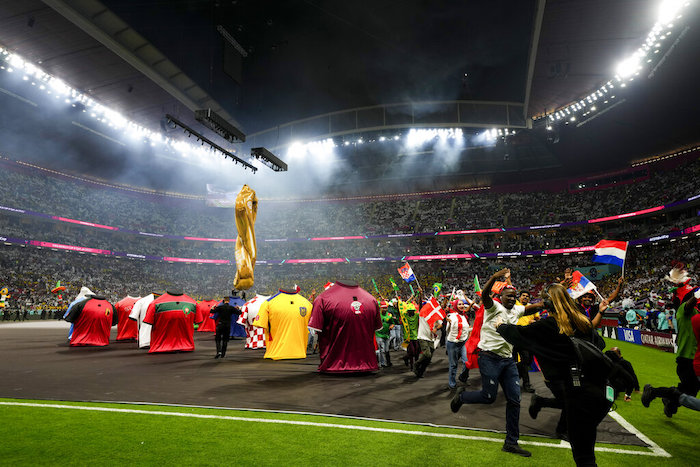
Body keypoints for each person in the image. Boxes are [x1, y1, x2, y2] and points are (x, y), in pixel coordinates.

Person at [497, 283, 612, 466]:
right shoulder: (581, 320)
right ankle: (545, 408)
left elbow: (517, 335)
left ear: (547, 304)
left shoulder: (549, 325)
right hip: (601, 392)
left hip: (577, 394)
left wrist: (500, 326)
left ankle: (543, 405)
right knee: (587, 452)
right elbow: (598, 345)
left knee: (584, 458)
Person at [450, 268, 532, 458]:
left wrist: (555, 298)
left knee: (515, 400)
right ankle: (462, 397)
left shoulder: (517, 309)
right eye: (508, 296)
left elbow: (534, 307)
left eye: (514, 297)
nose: (512, 299)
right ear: (501, 296)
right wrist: (495, 277)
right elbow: (485, 293)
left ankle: (511, 442)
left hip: (508, 361)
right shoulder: (493, 306)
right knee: (489, 396)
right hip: (489, 357)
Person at [445, 299, 471, 388]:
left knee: (467, 362)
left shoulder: (464, 317)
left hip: (463, 342)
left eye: (462, 304)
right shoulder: (451, 316)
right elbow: (447, 330)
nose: (461, 306)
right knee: (453, 364)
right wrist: (448, 322)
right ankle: (452, 383)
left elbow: (466, 329)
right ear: (455, 306)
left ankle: (463, 377)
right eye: (459, 304)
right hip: (452, 343)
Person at [514, 291, 536, 393]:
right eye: (523, 296)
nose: (525, 297)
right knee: (523, 359)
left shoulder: (531, 307)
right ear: (519, 297)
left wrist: (534, 321)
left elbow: (538, 318)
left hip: (528, 338)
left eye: (527, 296)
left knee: (527, 361)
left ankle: (517, 377)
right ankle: (526, 384)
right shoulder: (516, 304)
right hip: (515, 337)